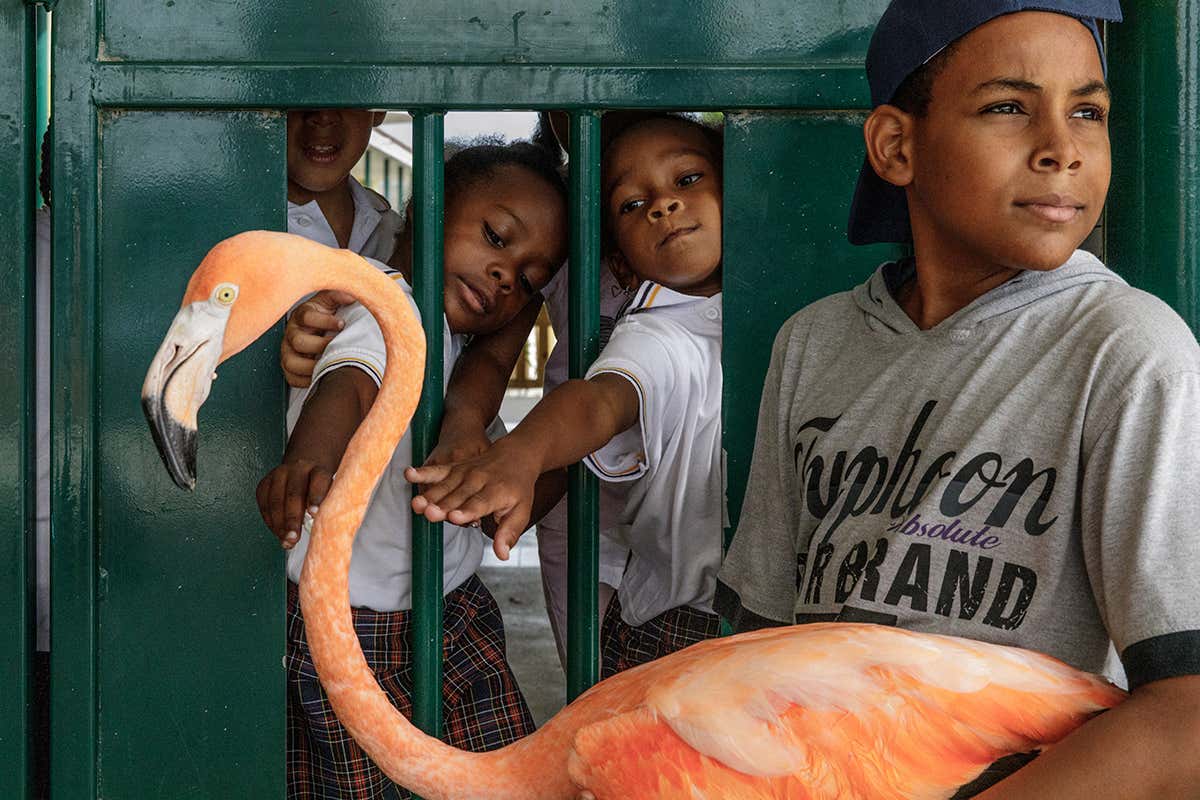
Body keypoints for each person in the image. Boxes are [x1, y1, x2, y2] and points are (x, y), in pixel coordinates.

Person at [715, 2, 1200, 797]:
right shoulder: (813, 343)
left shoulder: (1128, 349)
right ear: (897, 146)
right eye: (1009, 107)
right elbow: (762, 649)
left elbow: (1186, 717)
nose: (1062, 150)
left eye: (1089, 111)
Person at [258, 140, 569, 799]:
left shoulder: (462, 354)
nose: (507, 275)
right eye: (495, 236)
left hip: (452, 609)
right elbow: (354, 376)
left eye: (530, 277)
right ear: (424, 205)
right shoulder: (385, 300)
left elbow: (476, 483)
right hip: (354, 631)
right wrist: (313, 453)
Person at [408, 114, 727, 679]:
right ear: (618, 258)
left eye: (686, 180)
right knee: (601, 695)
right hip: (580, 500)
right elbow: (592, 398)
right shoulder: (571, 235)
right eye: (631, 204)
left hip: (709, 566)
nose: (662, 206)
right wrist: (508, 454)